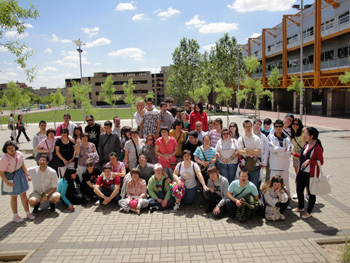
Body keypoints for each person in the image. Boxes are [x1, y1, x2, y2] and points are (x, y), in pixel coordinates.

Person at [292, 127, 324, 219]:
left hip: (310, 174)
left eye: (306, 134)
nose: (304, 136)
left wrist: (310, 160)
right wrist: (294, 154)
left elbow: (320, 162)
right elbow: (303, 157)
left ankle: (309, 211)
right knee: (299, 190)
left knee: (311, 193)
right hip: (302, 172)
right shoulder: (306, 144)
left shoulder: (317, 147)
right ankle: (301, 207)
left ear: (312, 136)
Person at [0, 141, 35, 222]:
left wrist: (27, 175)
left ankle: (28, 213)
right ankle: (15, 215)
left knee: (24, 194)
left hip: (20, 174)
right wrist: (6, 182)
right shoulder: (4, 158)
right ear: (6, 150)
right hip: (10, 176)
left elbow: (23, 165)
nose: (11, 149)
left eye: (12, 147)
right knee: (14, 196)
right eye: (8, 148)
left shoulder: (19, 154)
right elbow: (1, 172)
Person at [268, 119, 292, 194]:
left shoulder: (287, 139)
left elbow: (289, 152)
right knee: (273, 184)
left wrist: (278, 152)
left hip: (284, 166)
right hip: (274, 166)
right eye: (276, 126)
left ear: (282, 127)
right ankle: (273, 201)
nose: (278, 128)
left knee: (285, 184)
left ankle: (286, 201)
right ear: (274, 127)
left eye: (280, 126)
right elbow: (272, 149)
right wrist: (283, 149)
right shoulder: (270, 137)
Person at [237, 120, 261, 189]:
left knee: (254, 185)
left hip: (255, 165)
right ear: (244, 127)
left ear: (252, 126)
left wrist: (247, 150)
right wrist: (252, 153)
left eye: (249, 126)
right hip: (245, 165)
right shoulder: (240, 139)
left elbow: (258, 152)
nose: (248, 128)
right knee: (244, 185)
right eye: (246, 126)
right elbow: (240, 151)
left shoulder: (256, 138)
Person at [291, 118, 305, 199]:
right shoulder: (292, 133)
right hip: (295, 157)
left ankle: (307, 192)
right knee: (297, 175)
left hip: (303, 157)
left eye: (297, 124)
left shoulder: (303, 133)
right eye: (294, 124)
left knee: (304, 176)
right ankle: (297, 191)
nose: (295, 126)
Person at [253, 119, 269, 183]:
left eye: (259, 125)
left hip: (259, 160)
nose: (258, 126)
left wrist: (264, 162)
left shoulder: (263, 137)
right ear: (253, 125)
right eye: (256, 124)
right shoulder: (248, 135)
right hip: (250, 160)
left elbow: (266, 150)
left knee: (258, 179)